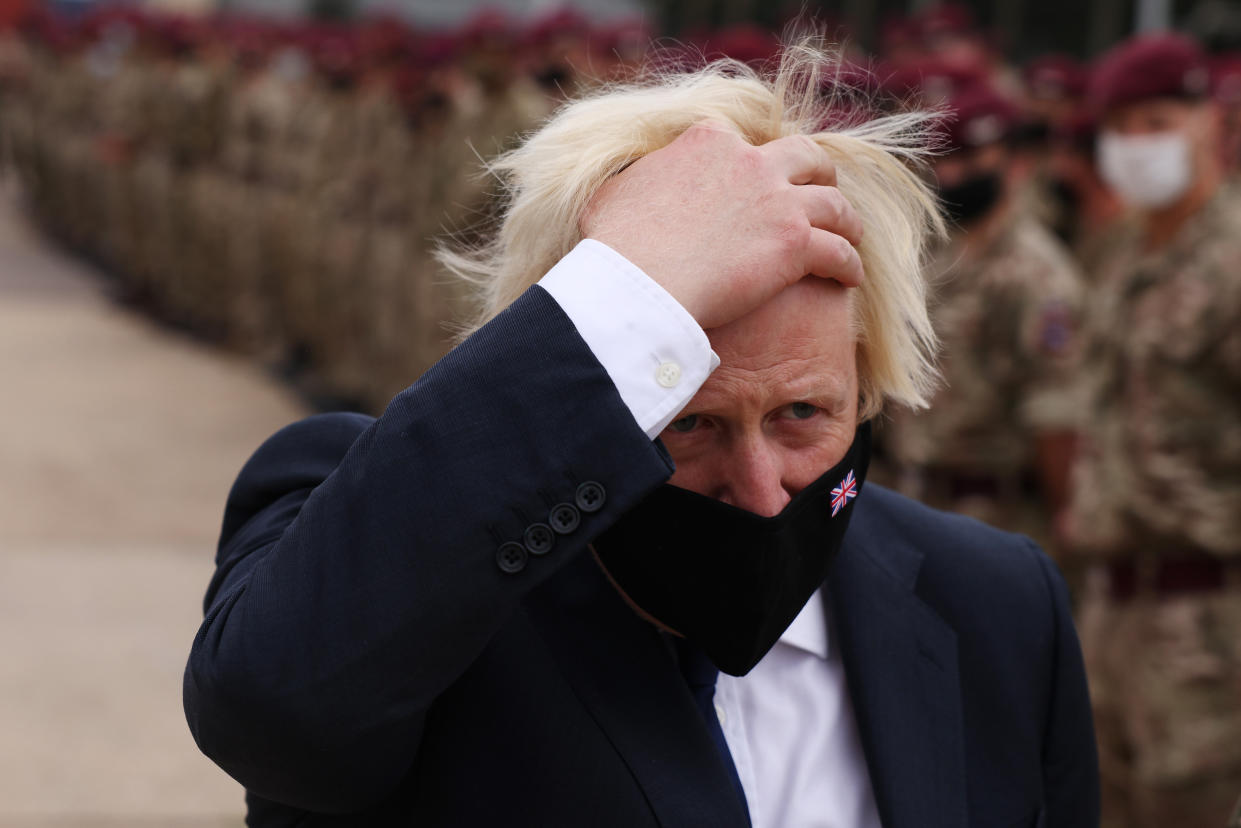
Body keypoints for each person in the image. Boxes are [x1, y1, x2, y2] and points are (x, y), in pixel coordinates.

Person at [184, 43, 1099, 827]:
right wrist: (622, 292)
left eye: (802, 416)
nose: (757, 487)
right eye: (687, 421)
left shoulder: (992, 603)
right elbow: (274, 710)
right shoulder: (411, 579)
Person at [1062, 33, 1241, 828]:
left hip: (1207, 622)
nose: (1137, 144)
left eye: (1157, 120)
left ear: (1208, 121)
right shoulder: (1122, 250)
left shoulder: (1231, 264)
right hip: (1112, 608)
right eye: (1121, 126)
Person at [880, 82, 1083, 546]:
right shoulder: (929, 254)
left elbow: (1056, 415)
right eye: (944, 161)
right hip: (911, 496)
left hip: (994, 514)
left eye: (971, 161)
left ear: (1013, 162)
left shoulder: (1039, 274)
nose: (953, 176)